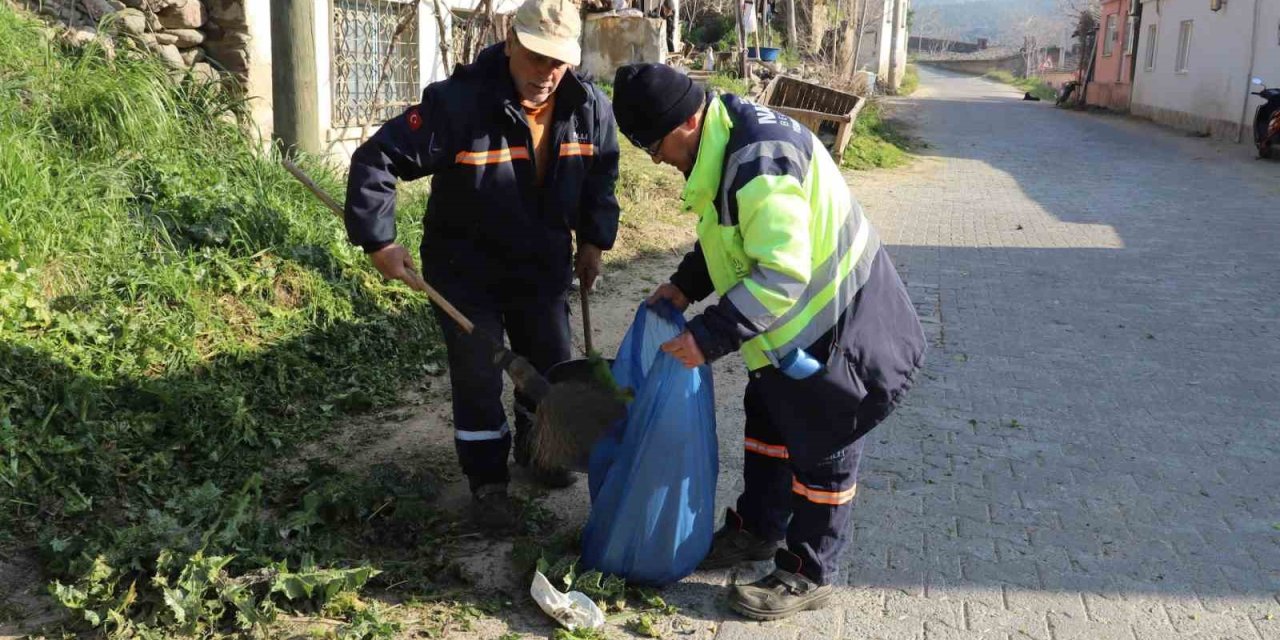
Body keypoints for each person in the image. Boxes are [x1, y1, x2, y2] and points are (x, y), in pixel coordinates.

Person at [610, 64, 925, 620]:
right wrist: (686, 286)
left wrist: (709, 336)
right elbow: (733, 233)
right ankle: (758, 528)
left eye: (654, 146)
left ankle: (809, 570)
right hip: (789, 331)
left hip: (840, 327)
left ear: (687, 121)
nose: (656, 160)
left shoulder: (758, 160)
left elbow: (781, 273)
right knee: (769, 422)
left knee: (825, 445)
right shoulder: (722, 139)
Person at [343, 0, 621, 530]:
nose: (547, 73)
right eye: (536, 57)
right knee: (478, 374)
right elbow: (377, 159)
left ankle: (540, 450)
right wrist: (379, 241)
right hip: (465, 267)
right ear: (511, 41)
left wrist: (593, 240)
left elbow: (601, 175)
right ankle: (488, 482)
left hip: (540, 262)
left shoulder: (587, 106)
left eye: (558, 62)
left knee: (549, 362)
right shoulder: (458, 104)